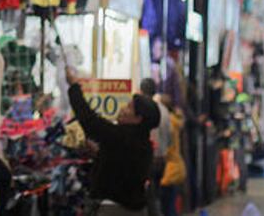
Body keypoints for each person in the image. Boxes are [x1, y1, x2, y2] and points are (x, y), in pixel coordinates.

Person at [66, 67, 161, 214]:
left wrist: (74, 87)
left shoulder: (123, 137)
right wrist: (100, 153)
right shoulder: (143, 144)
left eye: (129, 108)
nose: (122, 108)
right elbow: (120, 163)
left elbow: (90, 121)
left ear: (138, 119)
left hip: (113, 210)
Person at [140, 78, 171, 216]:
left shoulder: (143, 109)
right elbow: (169, 137)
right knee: (155, 194)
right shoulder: (164, 110)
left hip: (149, 159)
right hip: (162, 159)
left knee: (149, 197)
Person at [156, 94, 186, 216]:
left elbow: (166, 147)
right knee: (170, 205)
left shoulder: (168, 123)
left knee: (167, 207)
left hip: (169, 170)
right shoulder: (174, 120)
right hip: (176, 167)